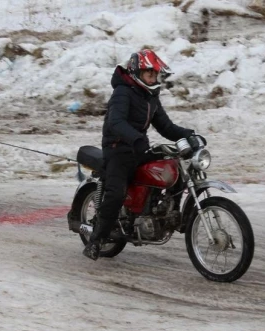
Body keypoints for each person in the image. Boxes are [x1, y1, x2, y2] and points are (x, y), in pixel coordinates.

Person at [83, 49, 205, 260]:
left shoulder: (150, 97)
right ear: (137, 73)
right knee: (116, 193)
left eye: (155, 74)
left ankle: (165, 215)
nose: (153, 78)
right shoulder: (123, 92)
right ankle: (96, 239)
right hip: (117, 150)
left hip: (138, 148)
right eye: (150, 74)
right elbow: (116, 122)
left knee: (173, 169)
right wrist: (136, 139)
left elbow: (166, 126)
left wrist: (189, 135)